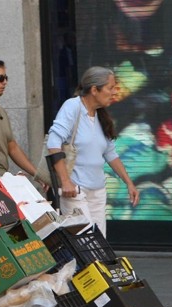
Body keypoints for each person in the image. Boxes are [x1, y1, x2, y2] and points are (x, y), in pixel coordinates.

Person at [46, 66, 140, 237]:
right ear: (94, 90)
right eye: (110, 88)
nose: (114, 92)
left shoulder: (100, 115)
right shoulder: (72, 106)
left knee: (98, 245)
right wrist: (65, 181)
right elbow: (53, 142)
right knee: (83, 243)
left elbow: (111, 154)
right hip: (75, 190)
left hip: (98, 191)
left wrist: (129, 183)